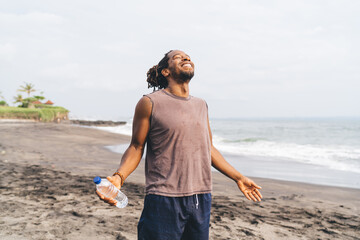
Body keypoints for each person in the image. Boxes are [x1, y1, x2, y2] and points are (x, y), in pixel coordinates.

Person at [96, 50, 262, 240]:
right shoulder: (150, 102)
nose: (186, 58)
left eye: (188, 57)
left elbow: (208, 148)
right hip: (163, 197)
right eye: (178, 57)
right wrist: (119, 176)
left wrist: (238, 177)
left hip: (201, 197)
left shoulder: (201, 105)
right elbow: (136, 146)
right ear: (165, 71)